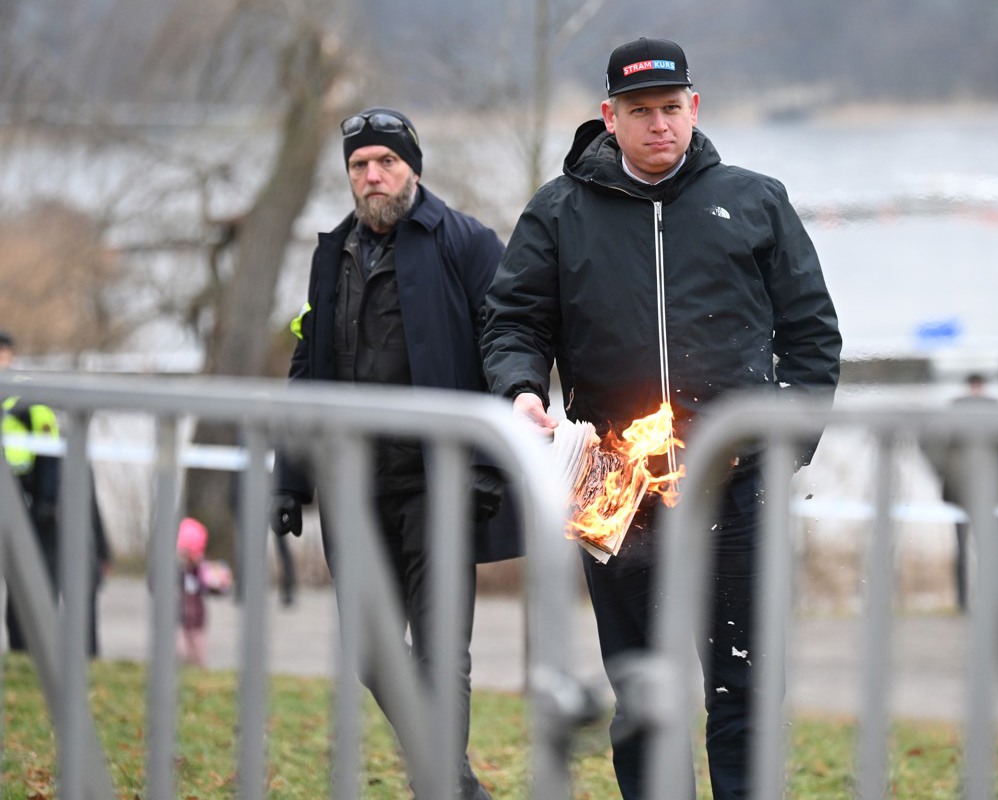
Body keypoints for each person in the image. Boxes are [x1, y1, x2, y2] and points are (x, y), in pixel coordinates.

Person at [480, 37, 841, 799]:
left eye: (671, 109)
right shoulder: (557, 212)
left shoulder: (754, 200)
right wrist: (520, 389)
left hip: (736, 482)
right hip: (612, 486)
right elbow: (512, 321)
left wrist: (787, 448)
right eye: (639, 112)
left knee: (744, 683)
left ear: (694, 108)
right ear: (609, 117)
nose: (658, 126)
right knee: (643, 683)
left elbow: (812, 336)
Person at [268, 107, 519, 800]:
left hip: (440, 484)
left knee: (442, 652)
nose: (372, 175)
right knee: (373, 654)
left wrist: (490, 464)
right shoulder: (332, 252)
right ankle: (453, 779)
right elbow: (306, 362)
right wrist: (288, 475)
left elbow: (507, 352)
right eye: (359, 164)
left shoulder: (468, 244)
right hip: (352, 487)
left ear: (414, 165)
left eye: (386, 161)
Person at [1, 331, 112, 657]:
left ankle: (32, 652)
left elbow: (49, 456)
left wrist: (46, 504)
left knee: (30, 586)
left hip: (29, 505)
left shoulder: (28, 400)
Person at [921, 372, 998, 611]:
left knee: (986, 548)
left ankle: (983, 600)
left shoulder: (988, 409)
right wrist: (943, 471)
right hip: (965, 489)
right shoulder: (968, 409)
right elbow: (930, 441)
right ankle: (965, 601)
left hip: (983, 490)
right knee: (968, 548)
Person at [176, 517, 210, 666]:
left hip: (197, 622)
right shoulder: (177, 571)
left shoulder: (200, 570)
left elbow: (210, 585)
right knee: (182, 652)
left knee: (198, 654)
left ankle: (199, 671)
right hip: (180, 620)